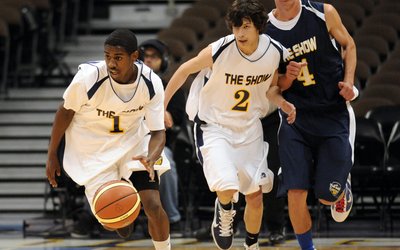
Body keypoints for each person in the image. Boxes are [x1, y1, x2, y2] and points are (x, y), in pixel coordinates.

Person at [164, 0, 297, 249]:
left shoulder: (276, 51)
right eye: (236, 27)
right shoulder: (221, 48)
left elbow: (271, 90)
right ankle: (224, 211)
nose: (240, 33)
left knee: (256, 196)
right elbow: (183, 70)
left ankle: (251, 244)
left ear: (258, 27)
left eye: (245, 27)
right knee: (227, 187)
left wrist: (283, 102)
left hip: (249, 127)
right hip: (214, 125)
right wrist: (161, 106)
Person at [45, 29, 172, 250]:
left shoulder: (151, 83)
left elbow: (158, 132)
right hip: (93, 151)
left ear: (135, 57)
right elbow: (63, 113)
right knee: (120, 224)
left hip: (133, 145)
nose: (111, 63)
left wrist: (151, 158)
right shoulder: (88, 78)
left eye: (118, 58)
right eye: (107, 56)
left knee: (152, 204)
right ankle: (122, 196)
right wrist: (52, 153)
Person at [266, 1, 357, 249]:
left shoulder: (322, 12)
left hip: (333, 113)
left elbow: (348, 44)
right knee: (295, 192)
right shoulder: (265, 31)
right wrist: (287, 80)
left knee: (327, 197)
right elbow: (274, 87)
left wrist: (348, 81)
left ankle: (342, 185)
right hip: (296, 119)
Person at [139, 39, 185, 236]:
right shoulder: (128, 86)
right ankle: (92, 216)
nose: (148, 60)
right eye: (145, 57)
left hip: (156, 143)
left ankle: (172, 218)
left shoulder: (170, 88)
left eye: (154, 57)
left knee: (167, 163)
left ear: (163, 61)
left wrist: (161, 112)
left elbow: (171, 123)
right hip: (126, 141)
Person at [261, 108, 286, 245]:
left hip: (272, 117)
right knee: (236, 171)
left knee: (273, 172)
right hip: (243, 118)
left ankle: (276, 227)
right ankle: (230, 226)